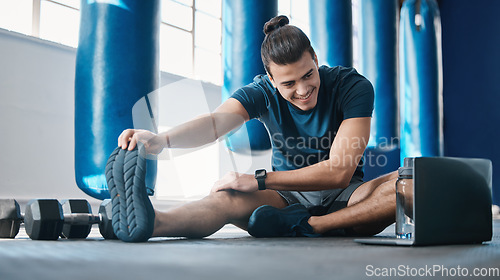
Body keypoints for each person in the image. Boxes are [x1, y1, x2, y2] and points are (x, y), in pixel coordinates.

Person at [110, 15, 398, 242]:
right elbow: (214, 124)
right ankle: (153, 222)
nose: (303, 89)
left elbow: (339, 170)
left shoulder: (352, 86)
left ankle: (312, 225)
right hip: (286, 198)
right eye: (288, 84)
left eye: (308, 74)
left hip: (347, 197)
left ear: (315, 60)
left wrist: (260, 179)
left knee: (406, 184)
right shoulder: (261, 92)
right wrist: (162, 140)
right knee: (225, 199)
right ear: (271, 80)